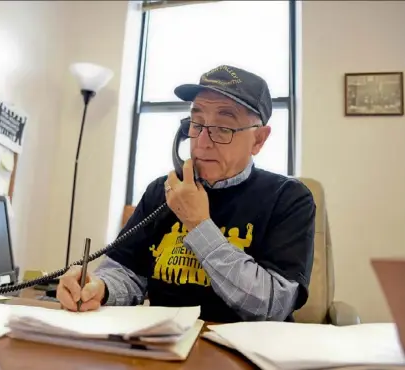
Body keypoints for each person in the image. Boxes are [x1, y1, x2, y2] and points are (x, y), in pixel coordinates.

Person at [56, 65, 316, 323]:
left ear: (259, 139)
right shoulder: (164, 190)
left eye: (223, 128)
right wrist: (99, 287)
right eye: (197, 124)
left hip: (244, 354)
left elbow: (273, 305)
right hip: (163, 345)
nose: (202, 142)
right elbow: (125, 272)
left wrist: (198, 224)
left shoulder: (290, 198)